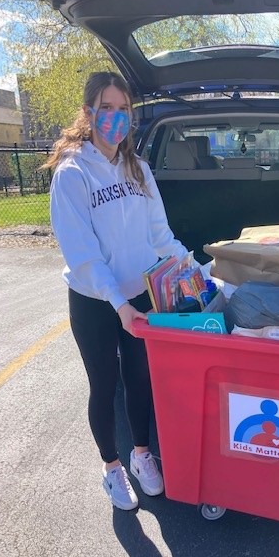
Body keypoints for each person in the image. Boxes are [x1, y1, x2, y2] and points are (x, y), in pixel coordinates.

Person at [45, 71, 188, 511]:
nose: (115, 117)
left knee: (140, 377)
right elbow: (83, 255)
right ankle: (112, 467)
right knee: (104, 385)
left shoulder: (138, 169)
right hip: (95, 302)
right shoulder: (72, 174)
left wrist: (195, 269)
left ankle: (141, 454)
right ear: (88, 114)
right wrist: (118, 304)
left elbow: (160, 235)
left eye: (122, 108)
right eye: (105, 108)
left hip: (139, 294)